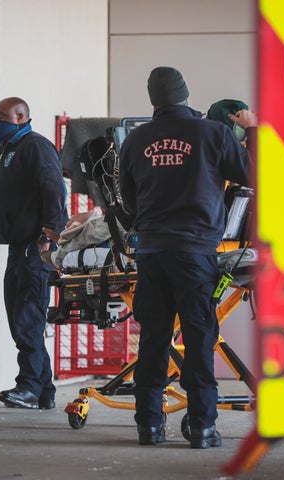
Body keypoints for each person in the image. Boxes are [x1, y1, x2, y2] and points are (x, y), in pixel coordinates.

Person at [118, 67, 252, 448]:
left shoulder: (136, 140)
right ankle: (203, 428)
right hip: (195, 254)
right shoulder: (213, 133)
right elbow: (251, 174)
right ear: (186, 94)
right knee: (198, 338)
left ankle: (149, 426)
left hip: (152, 253)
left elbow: (129, 202)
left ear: (152, 99)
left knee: (154, 339)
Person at [0, 97, 68, 410]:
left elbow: (54, 191)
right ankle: (45, 390)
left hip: (35, 246)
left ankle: (29, 386)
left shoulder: (37, 148)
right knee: (21, 317)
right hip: (15, 248)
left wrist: (49, 236)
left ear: (22, 117)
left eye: (3, 115)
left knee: (27, 317)